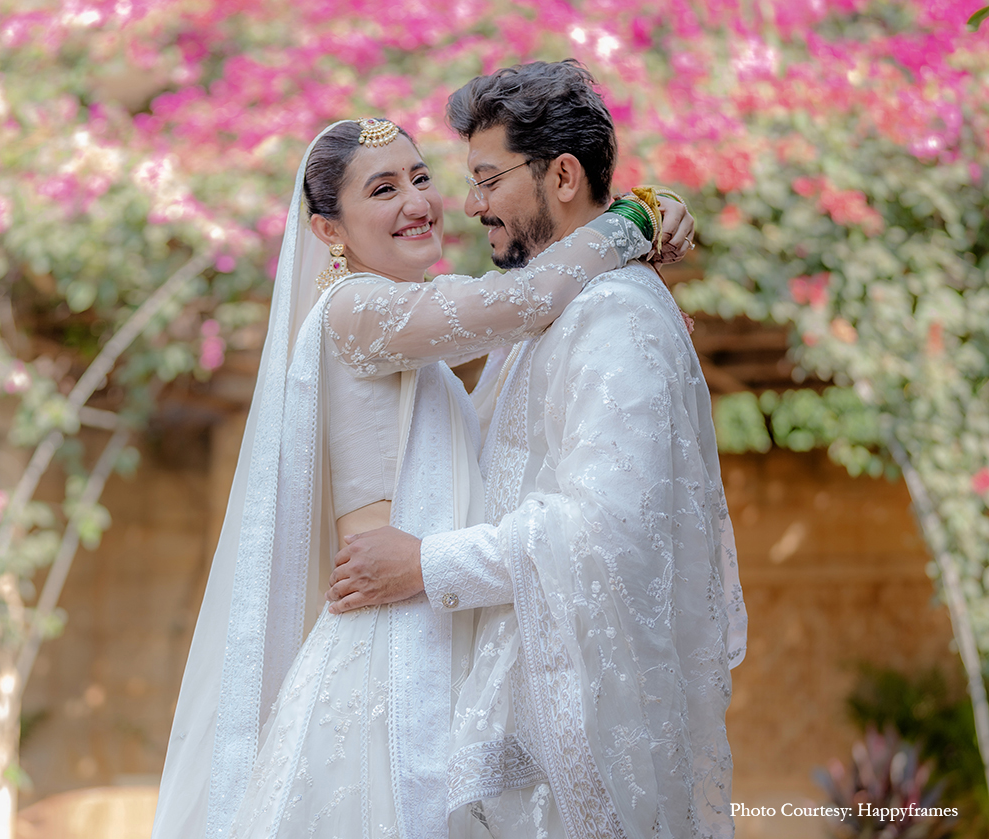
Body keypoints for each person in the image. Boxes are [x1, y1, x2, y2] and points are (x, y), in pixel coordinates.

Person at [148, 115, 690, 838]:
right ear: (328, 233)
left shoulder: (411, 342)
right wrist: (636, 215)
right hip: (395, 667)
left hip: (432, 635)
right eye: (382, 188)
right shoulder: (353, 310)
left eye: (421, 177)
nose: (418, 201)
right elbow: (518, 302)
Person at [326, 61, 747, 838]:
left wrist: (426, 562)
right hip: (509, 719)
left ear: (561, 175)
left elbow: (606, 531)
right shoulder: (538, 311)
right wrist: (642, 215)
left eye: (485, 177)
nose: (465, 203)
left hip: (574, 743)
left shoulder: (614, 314)